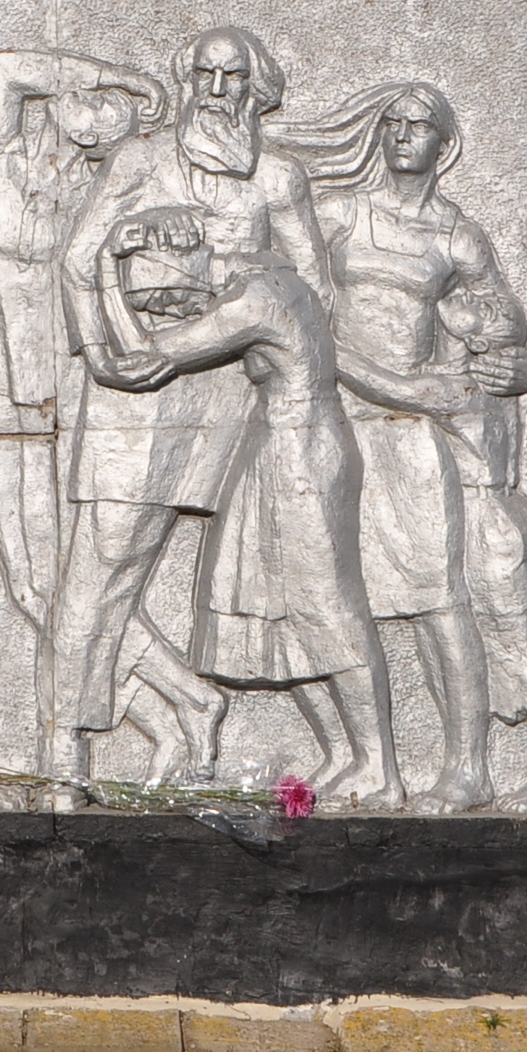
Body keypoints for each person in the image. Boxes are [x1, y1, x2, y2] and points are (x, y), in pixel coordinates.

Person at [290, 82, 527, 809]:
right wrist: (400, 386)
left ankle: (512, 764)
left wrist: (518, 366)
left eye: (421, 125)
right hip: (358, 426)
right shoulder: (342, 214)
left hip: (433, 463)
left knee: (491, 625)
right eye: (394, 123)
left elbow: (508, 331)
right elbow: (303, 321)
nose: (405, 135)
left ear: (447, 144)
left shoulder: (458, 237)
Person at [42, 24, 327, 796]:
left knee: (198, 574)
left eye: (233, 76)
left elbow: (314, 287)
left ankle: (194, 707)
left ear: (256, 89)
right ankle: (64, 752)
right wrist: (109, 336)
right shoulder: (141, 157)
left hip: (230, 393)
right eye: (203, 72)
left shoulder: (278, 180)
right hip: (135, 386)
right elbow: (78, 257)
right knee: (98, 572)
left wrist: (237, 272)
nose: (216, 88)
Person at [91, 208, 401, 808]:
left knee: (327, 608)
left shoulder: (258, 297)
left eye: (177, 287)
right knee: (286, 612)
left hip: (300, 453)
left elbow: (139, 359)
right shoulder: (280, 283)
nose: (183, 298)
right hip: (281, 447)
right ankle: (346, 755)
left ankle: (382, 767)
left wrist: (106, 270)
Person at [0, 49, 166, 640]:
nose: (92, 114)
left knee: (58, 585)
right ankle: (179, 701)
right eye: (86, 102)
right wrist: (126, 74)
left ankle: (173, 698)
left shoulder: (99, 200)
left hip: (63, 395)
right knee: (28, 588)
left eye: (108, 122)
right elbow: (4, 68)